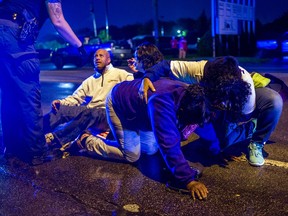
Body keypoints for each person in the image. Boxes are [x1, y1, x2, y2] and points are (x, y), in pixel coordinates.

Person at [140, 56, 283, 167]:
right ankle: (217, 132)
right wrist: (147, 77)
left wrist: (221, 128)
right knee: (213, 145)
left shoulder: (244, 89)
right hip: (215, 103)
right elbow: (165, 65)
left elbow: (240, 117)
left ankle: (255, 134)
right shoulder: (199, 69)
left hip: (237, 106)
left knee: (274, 101)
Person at [0, 0, 86, 165]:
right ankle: (36, 152)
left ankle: (12, 151)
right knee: (29, 96)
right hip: (15, 37)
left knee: (9, 96)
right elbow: (58, 20)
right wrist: (79, 45)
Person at [43, 49, 134, 147]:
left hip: (108, 114)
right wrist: (61, 102)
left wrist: (137, 72)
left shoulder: (120, 74)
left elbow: (134, 85)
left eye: (101, 56)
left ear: (108, 60)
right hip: (90, 113)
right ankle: (35, 132)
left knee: (90, 112)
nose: (97, 58)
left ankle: (55, 139)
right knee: (60, 109)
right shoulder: (90, 80)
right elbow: (76, 98)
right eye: (95, 56)